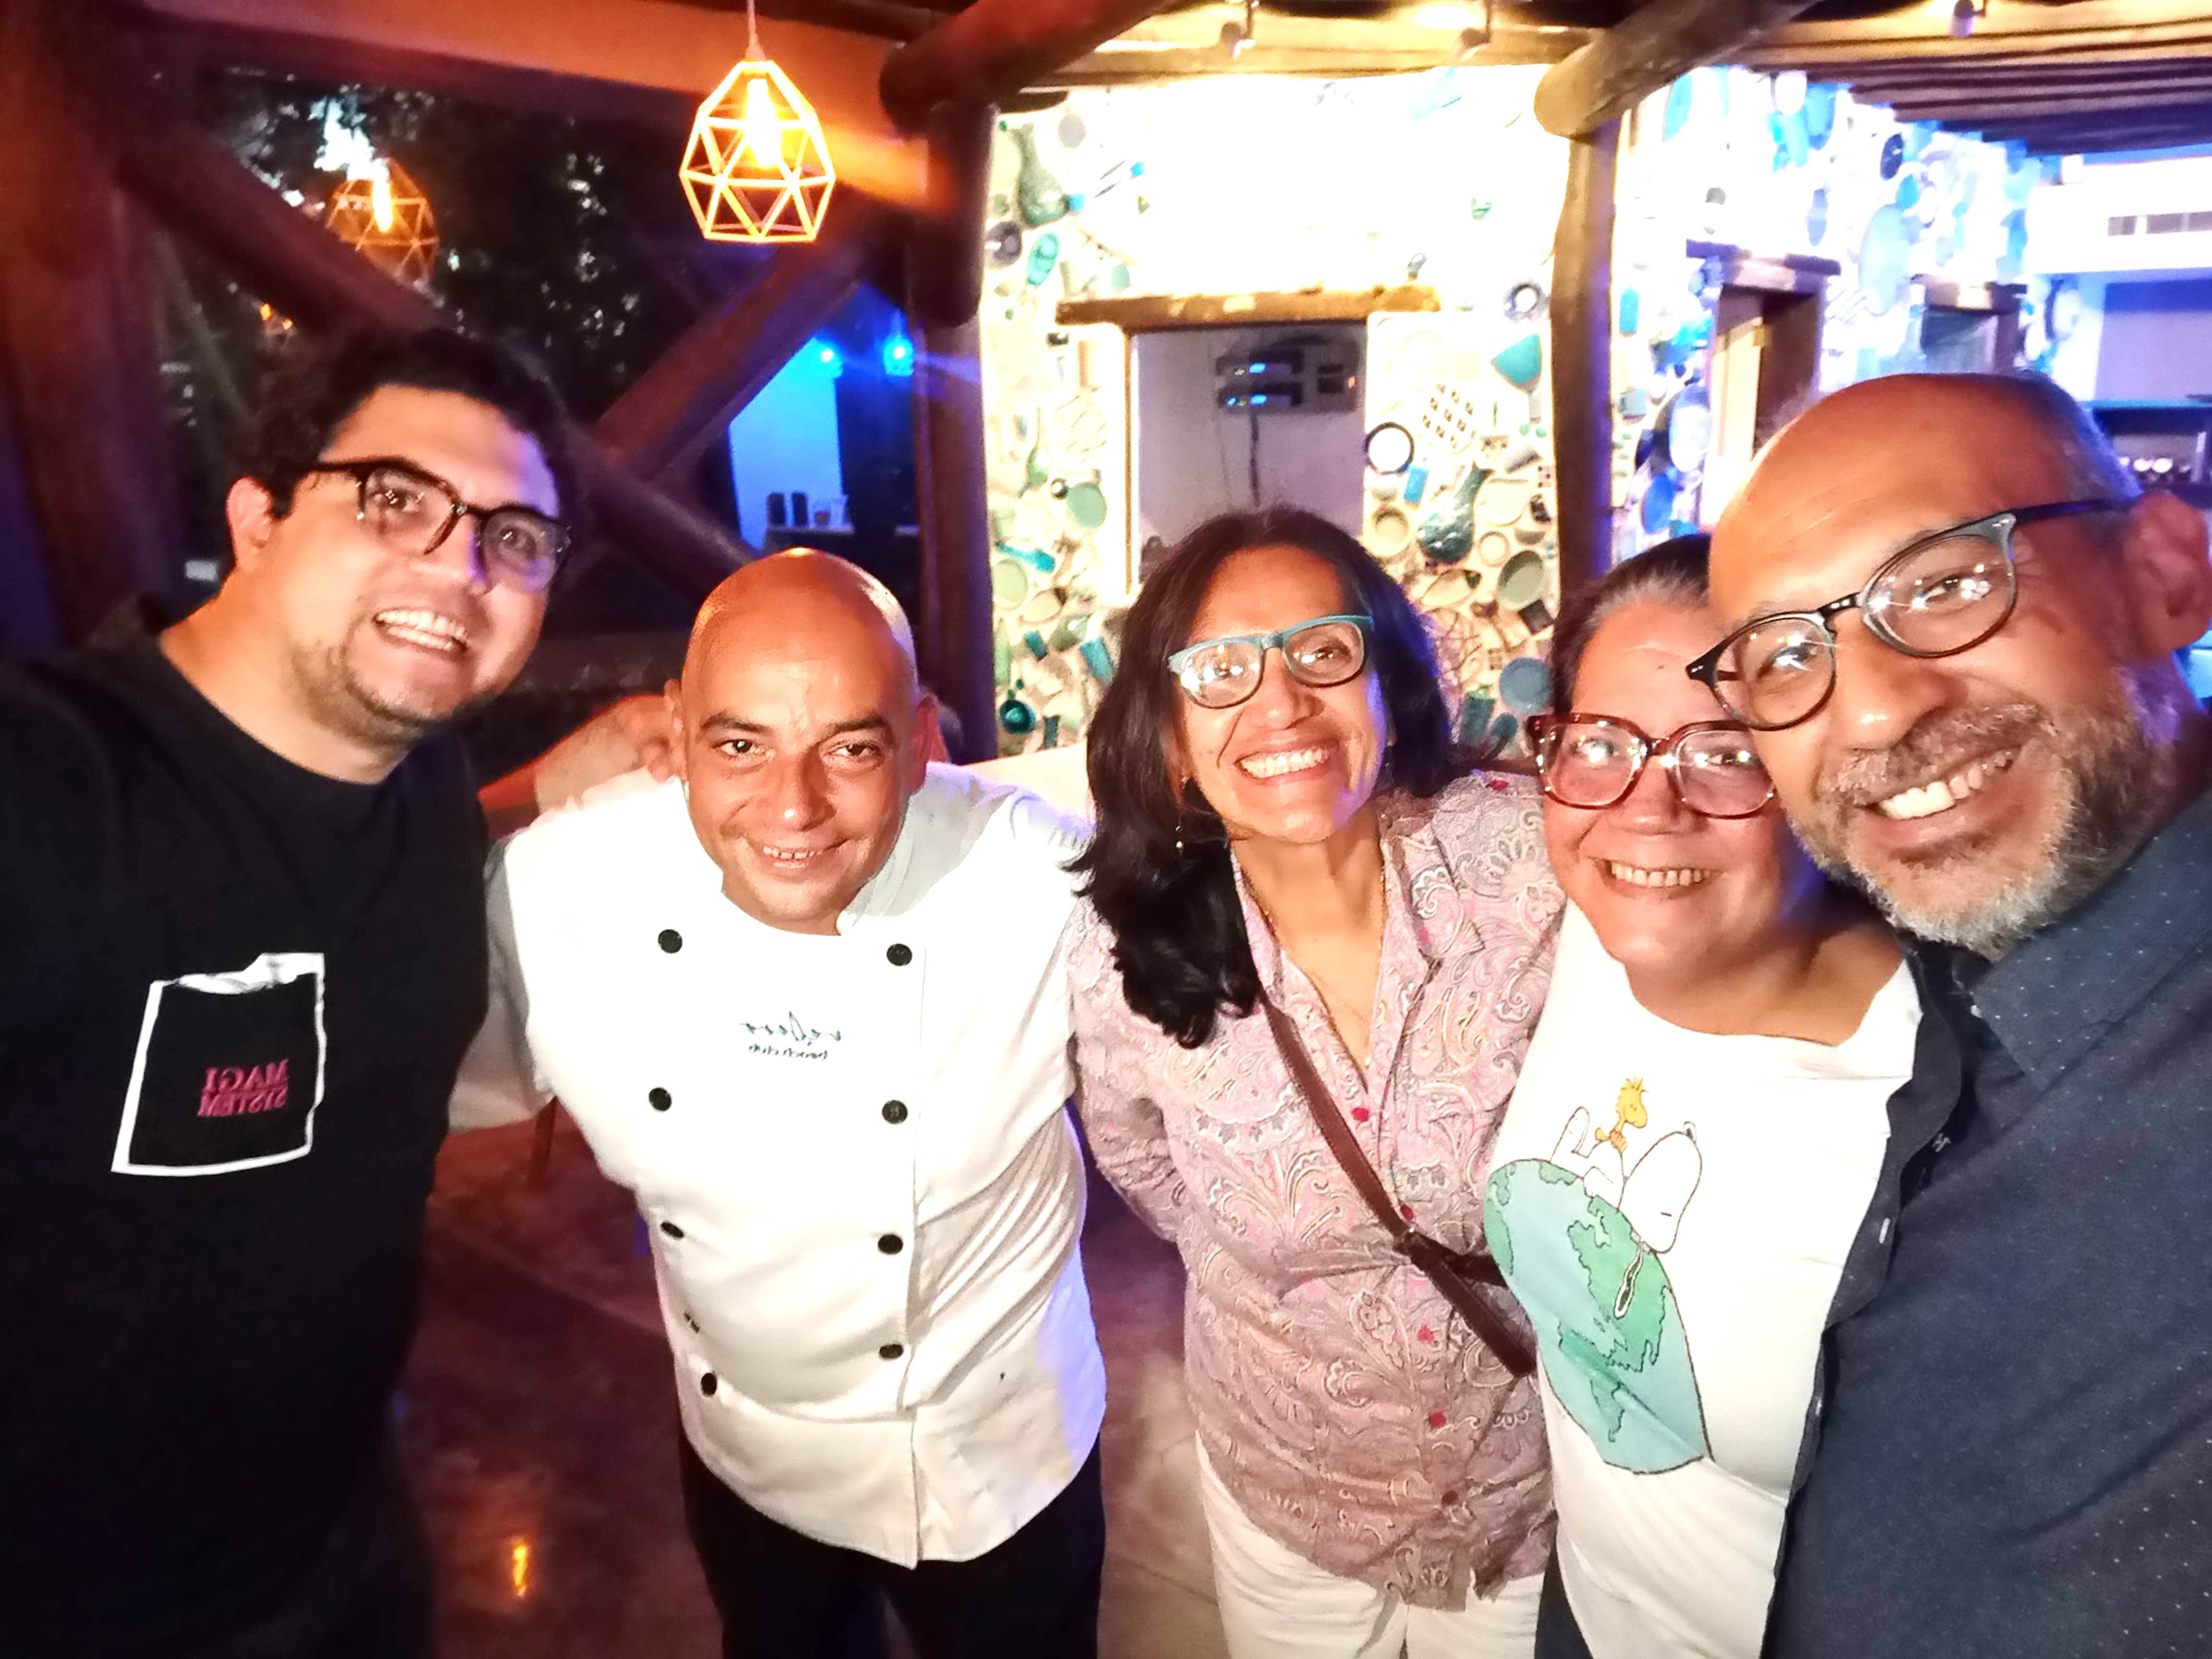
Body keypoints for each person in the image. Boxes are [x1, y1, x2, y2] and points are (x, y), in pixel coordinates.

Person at [0, 326, 584, 1657]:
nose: (460, 565)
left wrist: (545, 787)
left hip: (348, 1543)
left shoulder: (420, 780)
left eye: (514, 538)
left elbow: (347, 863)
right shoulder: (47, 787)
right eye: (394, 499)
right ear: (257, 516)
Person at [453, 552, 1107, 1659]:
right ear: (676, 731)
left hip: (993, 1458)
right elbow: (361, 991)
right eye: (740, 746)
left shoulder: (1036, 876)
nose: (793, 806)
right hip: (744, 1453)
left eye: (851, 748)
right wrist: (515, 797)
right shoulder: (569, 880)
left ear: (921, 741)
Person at [1701, 373, 2212, 1656]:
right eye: (1786, 657)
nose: (1876, 708)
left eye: (1944, 584)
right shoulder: (1952, 972)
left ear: (2167, 575)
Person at [1068, 506, 1559, 1659]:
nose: (1281, 703)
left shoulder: (1537, 863)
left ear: (1387, 681)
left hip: (1529, 1490)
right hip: (1289, 1486)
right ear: (1170, 739)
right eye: (1221, 672)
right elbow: (1144, 1166)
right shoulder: (1125, 945)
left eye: (1323, 652)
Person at [1476, 535, 1916, 1659]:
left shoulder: (1916, 1107)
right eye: (1600, 744)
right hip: (1583, 1608)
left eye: (1724, 751)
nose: (1647, 808)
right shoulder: (1598, 926)